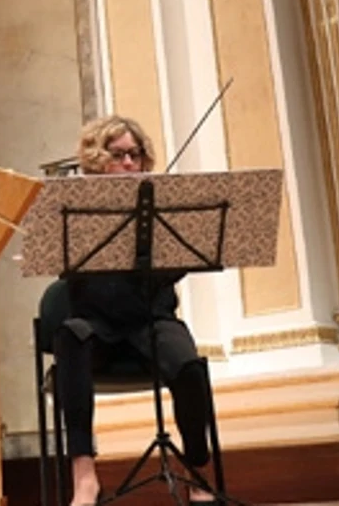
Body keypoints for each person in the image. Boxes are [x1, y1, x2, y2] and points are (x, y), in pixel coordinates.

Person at [53, 116, 216, 506]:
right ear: (96, 159)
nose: (129, 163)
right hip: (97, 325)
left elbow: (185, 258)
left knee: (190, 367)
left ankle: (198, 471)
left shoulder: (161, 205)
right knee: (70, 337)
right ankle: (85, 478)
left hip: (152, 321)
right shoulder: (76, 208)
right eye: (118, 155)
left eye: (135, 155)